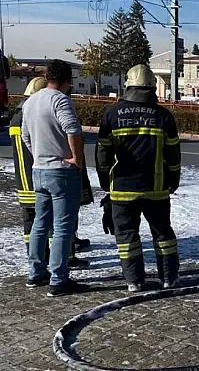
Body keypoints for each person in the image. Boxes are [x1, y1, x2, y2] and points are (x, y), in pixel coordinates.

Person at [96, 64, 181, 292]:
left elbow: (102, 154)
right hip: (157, 188)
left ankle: (134, 280)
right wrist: (174, 179)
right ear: (153, 88)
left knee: (126, 237)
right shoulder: (164, 116)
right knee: (163, 234)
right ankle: (169, 278)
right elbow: (173, 155)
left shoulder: (112, 114)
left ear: (128, 87)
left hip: (122, 189)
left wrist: (106, 183)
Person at [21, 60, 89, 297]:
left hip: (39, 170)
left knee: (40, 223)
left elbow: (25, 137)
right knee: (62, 227)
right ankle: (59, 279)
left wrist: (39, 155)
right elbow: (73, 130)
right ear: (68, 80)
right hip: (61, 170)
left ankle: (36, 272)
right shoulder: (60, 100)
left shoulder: (30, 102)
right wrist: (76, 159)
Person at [10, 77, 92, 268]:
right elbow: (70, 136)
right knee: (61, 223)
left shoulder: (21, 115)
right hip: (52, 173)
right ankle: (63, 265)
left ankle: (36, 264)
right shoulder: (48, 111)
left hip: (29, 179)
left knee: (35, 224)